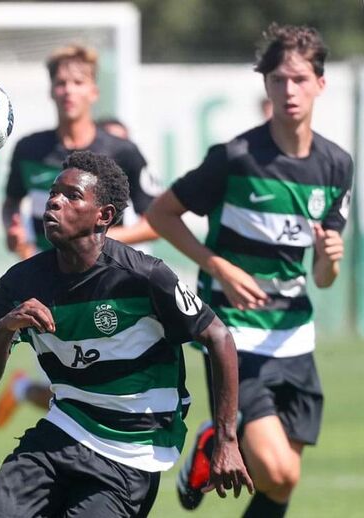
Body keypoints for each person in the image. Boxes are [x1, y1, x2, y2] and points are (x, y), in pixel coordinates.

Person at [0, 150, 252, 517]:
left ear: (103, 216)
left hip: (132, 451)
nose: (54, 200)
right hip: (64, 427)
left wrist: (226, 439)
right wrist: (8, 327)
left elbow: (219, 337)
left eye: (72, 196)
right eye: (54, 192)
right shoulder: (20, 283)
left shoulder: (145, 277)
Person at [146, 24, 352, 516]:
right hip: (234, 337)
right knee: (277, 471)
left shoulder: (336, 165)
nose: (289, 90)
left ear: (320, 84)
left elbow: (323, 279)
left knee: (281, 483)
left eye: (300, 79)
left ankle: (209, 444)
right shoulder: (236, 158)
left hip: (295, 337)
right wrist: (219, 266)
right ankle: (214, 438)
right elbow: (161, 214)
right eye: (279, 79)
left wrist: (329, 259)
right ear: (266, 86)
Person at [0, 45, 161, 429]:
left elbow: (157, 221)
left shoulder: (120, 151)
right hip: (52, 282)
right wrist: (13, 231)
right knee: (78, 383)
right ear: (51, 91)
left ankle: (27, 395)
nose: (68, 90)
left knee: (107, 382)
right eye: (60, 82)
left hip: (111, 282)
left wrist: (98, 240)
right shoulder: (29, 149)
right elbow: (11, 203)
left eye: (77, 82)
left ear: (93, 92)